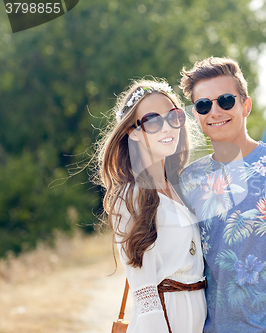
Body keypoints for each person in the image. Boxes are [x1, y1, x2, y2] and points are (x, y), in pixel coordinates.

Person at [179, 57, 266, 332]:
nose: (215, 111)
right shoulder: (189, 180)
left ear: (245, 105)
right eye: (204, 105)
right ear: (196, 114)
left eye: (225, 100)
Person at [94, 79, 207, 333]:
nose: (167, 128)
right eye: (153, 121)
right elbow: (144, 295)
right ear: (133, 131)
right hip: (163, 322)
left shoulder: (180, 187)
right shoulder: (132, 196)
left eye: (173, 117)